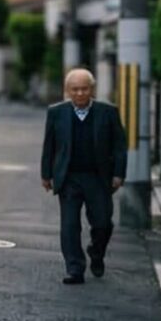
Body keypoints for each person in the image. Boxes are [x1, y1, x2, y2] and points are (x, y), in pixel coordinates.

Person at [40, 67, 126, 285]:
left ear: (92, 89)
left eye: (84, 89)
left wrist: (118, 174)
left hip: (98, 177)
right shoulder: (56, 112)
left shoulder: (108, 112)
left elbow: (119, 147)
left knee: (103, 223)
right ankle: (74, 268)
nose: (79, 94)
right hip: (69, 178)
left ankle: (96, 252)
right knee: (69, 225)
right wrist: (46, 175)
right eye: (75, 89)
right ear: (67, 90)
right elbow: (49, 146)